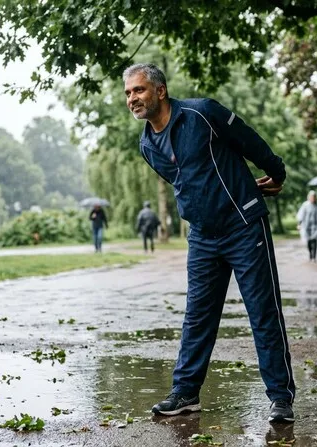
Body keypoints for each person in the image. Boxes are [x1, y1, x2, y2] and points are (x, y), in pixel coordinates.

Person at [124, 63, 295, 424]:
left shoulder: (202, 113)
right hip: (202, 236)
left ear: (160, 91)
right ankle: (185, 392)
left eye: (138, 90)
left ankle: (280, 397)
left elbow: (248, 141)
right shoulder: (146, 144)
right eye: (128, 93)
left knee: (263, 313)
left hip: (243, 225)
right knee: (197, 316)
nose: (132, 98)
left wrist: (276, 172)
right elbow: (184, 181)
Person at [296, 190, 317, 262]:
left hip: (316, 226)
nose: (313, 198)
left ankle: (314, 257)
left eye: (314, 197)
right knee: (308, 241)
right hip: (306, 226)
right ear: (308, 197)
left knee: (314, 241)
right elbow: (301, 215)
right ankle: (310, 253)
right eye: (311, 197)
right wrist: (299, 224)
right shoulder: (305, 205)